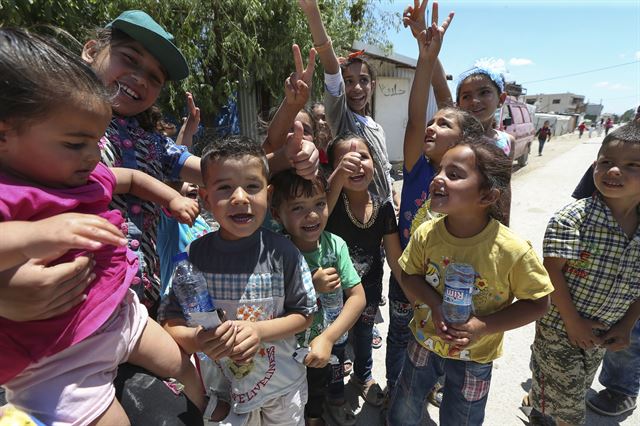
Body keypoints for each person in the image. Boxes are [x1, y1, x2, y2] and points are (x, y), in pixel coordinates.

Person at [0, 28, 206, 424]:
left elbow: (131, 177)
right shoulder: (14, 188)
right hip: (62, 355)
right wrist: (36, 235)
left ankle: (207, 406)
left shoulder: (111, 155)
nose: (93, 154)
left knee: (182, 367)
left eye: (155, 77)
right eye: (129, 58)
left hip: (123, 311)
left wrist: (172, 197)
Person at [82, 11, 319, 314]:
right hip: (80, 299)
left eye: (155, 78)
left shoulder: (154, 145)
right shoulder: (59, 125)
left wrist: (290, 154)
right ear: (91, 51)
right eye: (129, 59)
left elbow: (225, 172)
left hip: (140, 305)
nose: (140, 78)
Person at [387, 139, 553, 426]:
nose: (438, 178)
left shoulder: (512, 250)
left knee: (462, 416)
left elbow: (538, 303)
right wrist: (435, 305)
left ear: (487, 196)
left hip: (476, 354)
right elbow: (408, 275)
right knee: (406, 402)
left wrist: (483, 327)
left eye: (453, 174)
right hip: (425, 341)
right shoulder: (426, 234)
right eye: (440, 171)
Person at [159, 136, 318, 426]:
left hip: (281, 391)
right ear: (206, 199)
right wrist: (196, 340)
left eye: (252, 186)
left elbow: (304, 314)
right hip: (223, 396)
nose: (240, 197)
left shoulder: (283, 253)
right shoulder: (194, 256)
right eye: (224, 188)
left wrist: (258, 331)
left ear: (268, 195)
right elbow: (170, 323)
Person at [528, 121, 640, 426]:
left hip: (603, 332)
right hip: (560, 328)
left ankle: (541, 402)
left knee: (571, 389)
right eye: (607, 163)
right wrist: (573, 322)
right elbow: (551, 274)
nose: (614, 171)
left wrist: (628, 323)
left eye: (632, 165)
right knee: (570, 411)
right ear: (594, 168)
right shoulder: (572, 219)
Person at [271, 170, 366, 426]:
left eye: (319, 204)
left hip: (326, 341)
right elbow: (270, 304)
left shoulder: (336, 245)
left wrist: (328, 337)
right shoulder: (276, 252)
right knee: (287, 397)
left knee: (318, 389)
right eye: (298, 207)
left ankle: (315, 418)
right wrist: (310, 286)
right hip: (286, 348)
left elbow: (357, 297)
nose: (312, 215)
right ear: (276, 213)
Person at [324, 133, 404, 410]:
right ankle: (334, 391)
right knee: (335, 343)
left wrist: (414, 290)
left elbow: (394, 258)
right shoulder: (329, 205)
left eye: (363, 157)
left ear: (375, 164)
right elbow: (320, 214)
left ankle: (362, 376)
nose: (355, 165)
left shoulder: (382, 206)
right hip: (333, 293)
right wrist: (335, 181)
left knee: (364, 334)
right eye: (345, 160)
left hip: (369, 288)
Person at [299, 0, 399, 208]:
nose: (356, 88)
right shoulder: (343, 120)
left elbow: (383, 168)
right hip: (359, 212)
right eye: (348, 82)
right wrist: (312, 11)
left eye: (363, 80)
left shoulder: (376, 127)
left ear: (372, 85)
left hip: (384, 212)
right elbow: (330, 66)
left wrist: (392, 197)